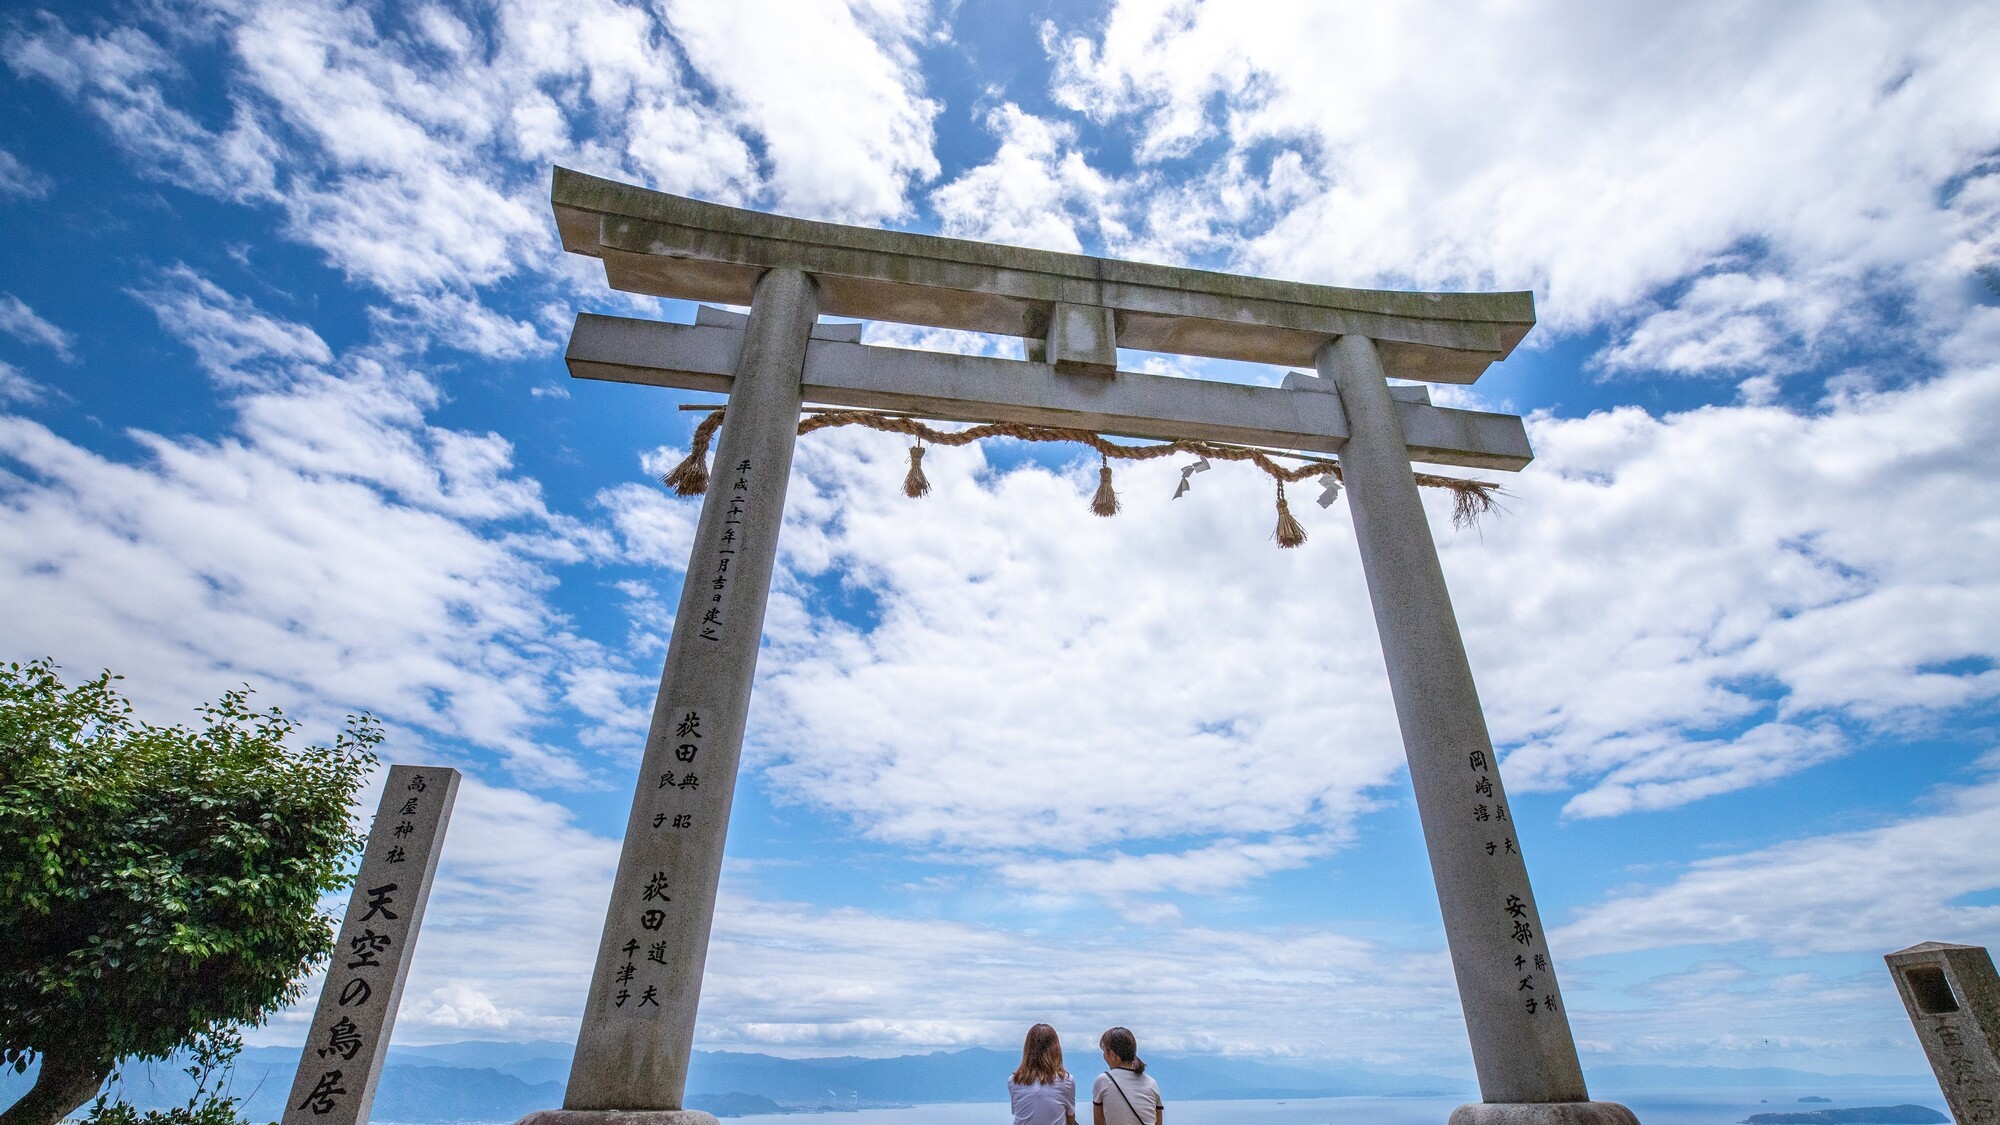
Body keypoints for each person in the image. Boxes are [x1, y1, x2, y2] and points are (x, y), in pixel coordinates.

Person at [1009, 1022, 1078, 1125]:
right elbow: (1070, 1118)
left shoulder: (1014, 1081)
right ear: (1056, 1049)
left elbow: (1021, 1112)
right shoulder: (1066, 1081)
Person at [1093, 1026, 1163, 1125]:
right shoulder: (1151, 1083)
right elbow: (1158, 1120)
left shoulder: (1103, 1080)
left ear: (1112, 1054)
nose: (1103, 1056)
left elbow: (1099, 1122)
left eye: (1104, 1051)